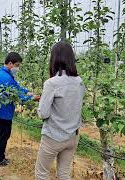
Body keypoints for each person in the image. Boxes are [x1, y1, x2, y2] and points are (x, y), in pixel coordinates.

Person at [35, 41, 85, 180]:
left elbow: (43, 113)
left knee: (42, 174)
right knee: (64, 174)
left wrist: (40, 104)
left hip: (53, 137)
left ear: (54, 59)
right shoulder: (79, 81)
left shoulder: (52, 83)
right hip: (72, 136)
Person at [0, 52, 39, 166]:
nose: (17, 68)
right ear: (10, 63)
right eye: (17, 65)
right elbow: (18, 96)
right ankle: (0, 160)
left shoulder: (3, 72)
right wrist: (30, 97)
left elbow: (16, 87)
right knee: (3, 135)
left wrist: (26, 91)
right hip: (4, 112)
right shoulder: (6, 77)